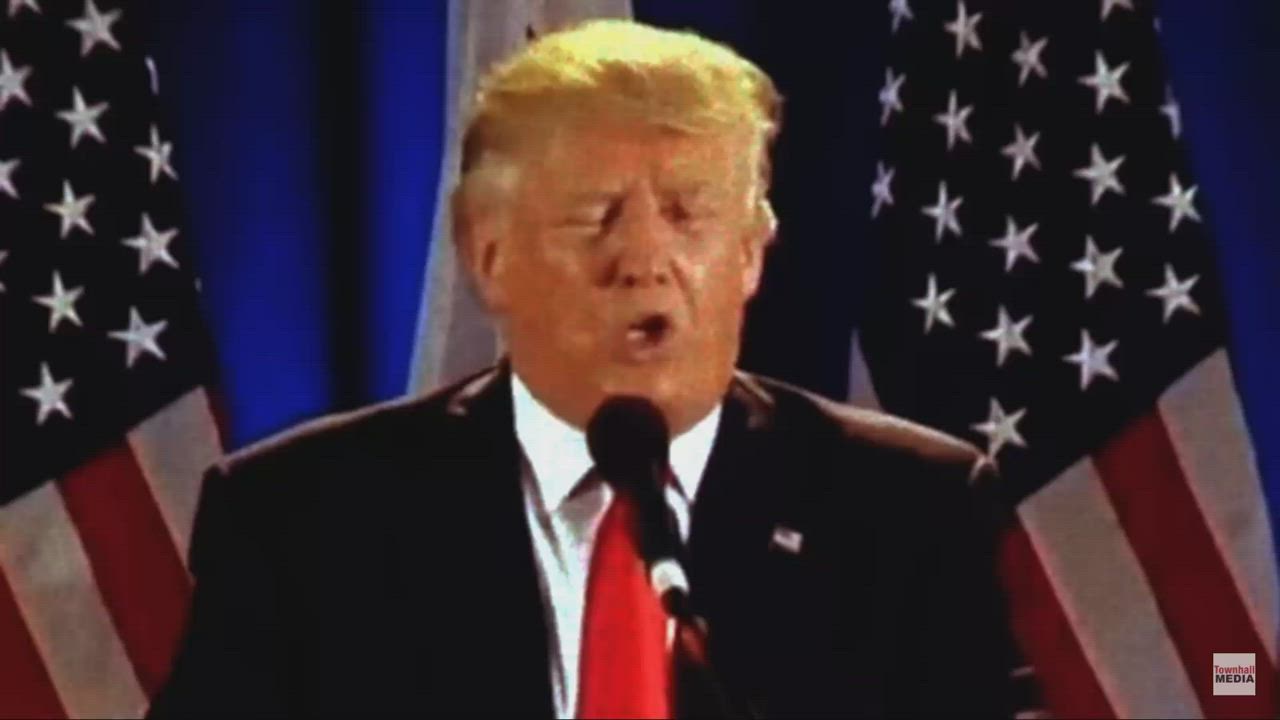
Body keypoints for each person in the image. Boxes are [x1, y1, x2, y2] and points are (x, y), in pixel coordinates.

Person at [151, 19, 1019, 718]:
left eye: (688, 214)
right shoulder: (307, 520)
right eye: (594, 216)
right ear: (488, 256)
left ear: (751, 255)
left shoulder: (907, 510)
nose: (643, 260)